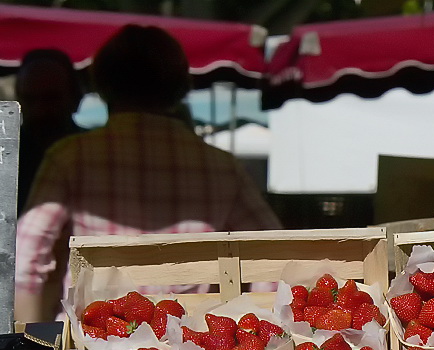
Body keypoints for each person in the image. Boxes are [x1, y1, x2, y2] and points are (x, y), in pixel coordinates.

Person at [15, 25, 283, 322]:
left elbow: (26, 258)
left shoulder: (69, 158)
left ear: (102, 85)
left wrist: (32, 349)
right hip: (186, 348)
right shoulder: (222, 167)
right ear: (180, 86)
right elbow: (274, 256)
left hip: (92, 344)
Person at [15, 49, 85, 215]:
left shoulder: (94, 154)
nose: (40, 110)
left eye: (51, 99)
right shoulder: (8, 158)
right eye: (30, 99)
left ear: (75, 99)